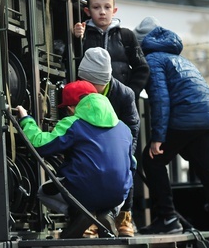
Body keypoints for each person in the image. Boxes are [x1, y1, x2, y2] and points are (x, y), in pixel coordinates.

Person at [133, 17, 209, 248]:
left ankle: (168, 218)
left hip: (187, 118)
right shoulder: (180, 59)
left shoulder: (153, 60)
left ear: (143, 43)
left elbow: (160, 101)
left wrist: (158, 138)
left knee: (151, 159)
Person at [16, 80, 133, 238]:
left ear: (71, 107)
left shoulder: (73, 124)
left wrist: (25, 119)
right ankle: (108, 213)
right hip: (117, 195)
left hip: (83, 193)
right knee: (122, 183)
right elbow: (132, 164)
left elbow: (40, 145)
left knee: (43, 192)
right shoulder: (123, 128)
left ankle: (80, 214)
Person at [77, 47, 139, 237]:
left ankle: (124, 218)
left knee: (127, 168)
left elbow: (133, 127)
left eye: (94, 83)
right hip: (91, 145)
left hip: (118, 145)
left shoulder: (124, 94)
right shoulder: (80, 91)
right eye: (85, 82)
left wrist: (125, 154)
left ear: (105, 80)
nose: (89, 88)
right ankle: (91, 219)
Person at [73, 0, 149, 104]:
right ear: (88, 11)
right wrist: (77, 39)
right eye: (96, 7)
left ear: (114, 11)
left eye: (107, 7)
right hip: (88, 101)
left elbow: (142, 69)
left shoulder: (126, 35)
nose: (102, 12)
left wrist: (130, 94)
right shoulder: (83, 34)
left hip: (120, 103)